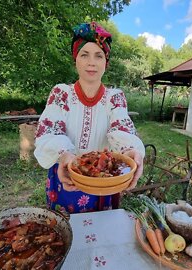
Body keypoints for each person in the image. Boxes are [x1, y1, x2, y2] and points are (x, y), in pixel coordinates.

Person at [34, 21, 145, 214]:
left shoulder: (114, 98)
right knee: (66, 232)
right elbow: (50, 131)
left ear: (106, 62)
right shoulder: (61, 94)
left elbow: (121, 128)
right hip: (67, 173)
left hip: (105, 178)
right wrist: (65, 155)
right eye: (84, 54)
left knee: (100, 232)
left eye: (98, 56)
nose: (91, 62)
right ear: (75, 58)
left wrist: (130, 150)